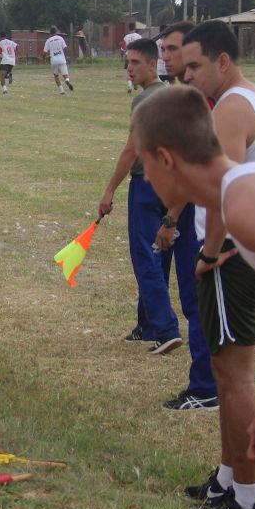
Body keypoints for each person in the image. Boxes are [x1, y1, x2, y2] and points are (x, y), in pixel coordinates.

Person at [132, 87, 255, 492]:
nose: (146, 178)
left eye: (146, 165)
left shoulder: (245, 208)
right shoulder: (243, 195)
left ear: (166, 159)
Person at [175, 19, 255, 509]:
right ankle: (226, 477)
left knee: (234, 374)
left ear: (223, 61)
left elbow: (226, 192)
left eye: (195, 65)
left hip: (232, 259)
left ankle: (245, 494)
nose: (188, 74)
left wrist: (209, 252)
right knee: (226, 371)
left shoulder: (231, 108)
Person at [96, 38, 184, 357]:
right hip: (173, 185)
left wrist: (109, 191)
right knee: (159, 255)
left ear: (152, 64)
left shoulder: (145, 100)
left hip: (147, 185)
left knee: (145, 258)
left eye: (135, 63)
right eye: (127, 63)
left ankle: (165, 329)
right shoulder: (174, 94)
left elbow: (132, 148)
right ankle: (146, 325)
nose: (129, 69)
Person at [151, 21, 217, 412]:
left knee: (197, 302)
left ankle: (205, 387)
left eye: (172, 49)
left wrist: (171, 219)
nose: (166, 57)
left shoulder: (199, 100)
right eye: (163, 50)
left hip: (200, 214)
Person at [42, 26, 73, 94]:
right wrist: (66, 55)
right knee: (65, 75)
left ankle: (62, 91)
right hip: (62, 59)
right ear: (56, 32)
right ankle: (67, 80)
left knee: (56, 76)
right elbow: (66, 48)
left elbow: (44, 52)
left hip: (54, 61)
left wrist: (43, 59)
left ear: (50, 33)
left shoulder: (48, 40)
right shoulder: (60, 38)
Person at [121, 28, 142, 92]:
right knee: (137, 71)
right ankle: (136, 83)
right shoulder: (139, 36)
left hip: (129, 56)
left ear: (129, 30)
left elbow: (123, 48)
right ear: (134, 29)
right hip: (137, 56)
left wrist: (121, 56)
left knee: (129, 72)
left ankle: (130, 86)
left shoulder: (126, 37)